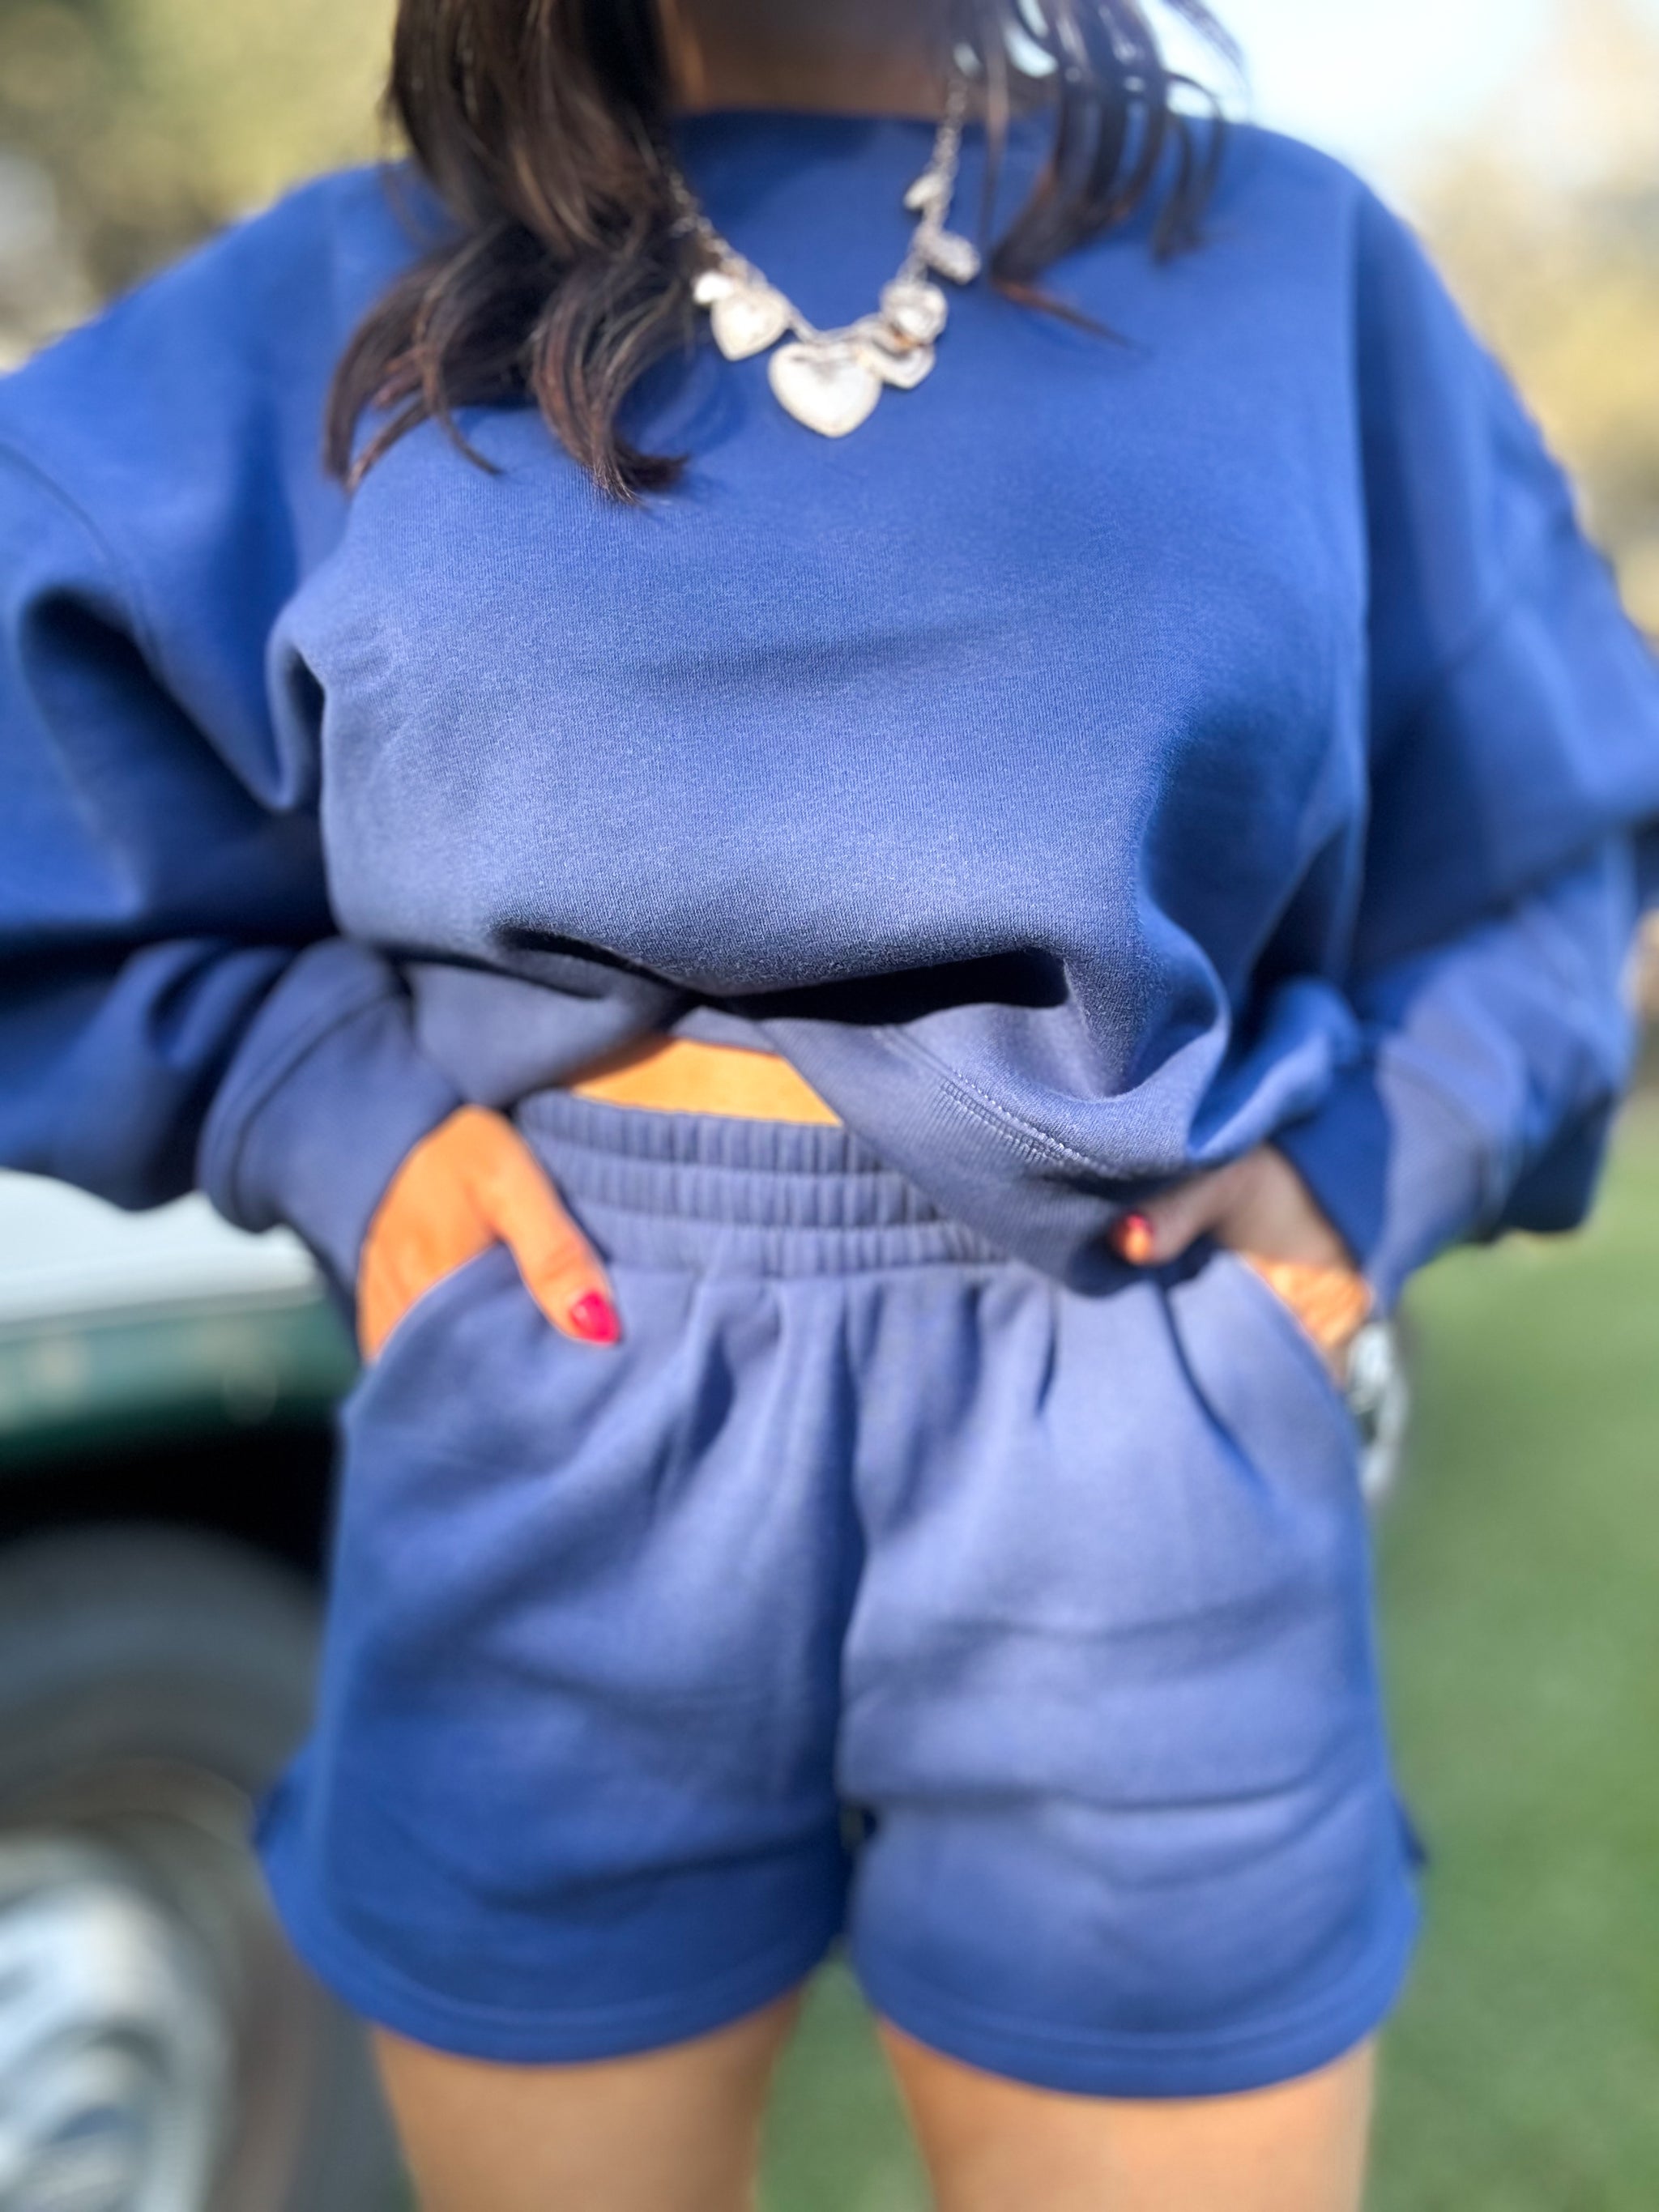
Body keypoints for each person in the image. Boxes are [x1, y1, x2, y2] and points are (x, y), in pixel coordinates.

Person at [2, 0, 1657, 2204]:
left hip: (1136, 1387)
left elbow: (1557, 842)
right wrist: (315, 1105)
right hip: (558, 1387)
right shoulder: (359, 283)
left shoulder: (1285, 263)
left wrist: (1382, 1158)